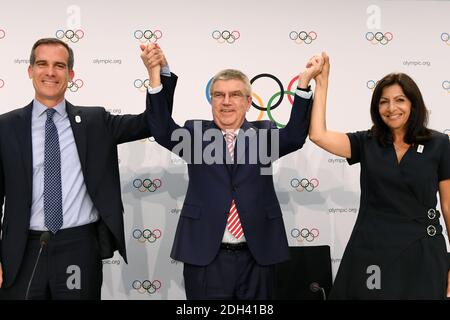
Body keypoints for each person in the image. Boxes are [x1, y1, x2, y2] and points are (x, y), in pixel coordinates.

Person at [141, 47, 323, 299]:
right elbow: (161, 129)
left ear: (249, 102)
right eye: (219, 95)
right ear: (211, 100)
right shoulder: (195, 135)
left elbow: (294, 136)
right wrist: (155, 74)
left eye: (235, 95)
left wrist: (303, 83)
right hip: (205, 256)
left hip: (258, 256)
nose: (226, 102)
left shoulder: (263, 135)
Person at [0, 38, 176, 299]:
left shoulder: (95, 121)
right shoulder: (5, 126)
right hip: (21, 250)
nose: (50, 72)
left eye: (59, 65)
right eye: (42, 64)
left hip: (78, 249)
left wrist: (156, 74)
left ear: (70, 74)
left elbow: (152, 123)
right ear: (30, 71)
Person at [309, 52, 450, 299]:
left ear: (413, 104)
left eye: (400, 100)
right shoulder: (367, 142)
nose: (391, 108)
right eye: (384, 101)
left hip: (423, 251)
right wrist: (322, 83)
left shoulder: (439, 143)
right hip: (372, 251)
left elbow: (448, 205)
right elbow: (318, 135)